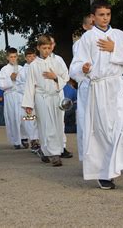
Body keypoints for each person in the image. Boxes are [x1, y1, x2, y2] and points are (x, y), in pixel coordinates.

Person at [70, 0, 123, 190]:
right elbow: (75, 66)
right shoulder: (86, 39)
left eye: (108, 14)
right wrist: (84, 68)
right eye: (101, 15)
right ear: (93, 17)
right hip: (97, 88)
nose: (105, 18)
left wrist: (115, 49)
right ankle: (104, 174)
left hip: (116, 86)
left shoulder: (118, 35)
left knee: (122, 129)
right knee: (102, 131)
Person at [22, 35, 70, 167]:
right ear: (38, 48)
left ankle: (53, 150)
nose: (46, 51)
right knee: (45, 125)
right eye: (44, 48)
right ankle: (53, 154)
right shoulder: (33, 65)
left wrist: (55, 77)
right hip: (41, 98)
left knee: (57, 125)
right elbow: (30, 85)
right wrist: (28, 104)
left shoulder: (56, 62)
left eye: (49, 48)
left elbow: (65, 77)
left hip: (55, 97)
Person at [70, 13, 94, 161]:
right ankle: (87, 157)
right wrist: (84, 69)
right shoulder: (79, 44)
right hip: (87, 84)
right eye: (90, 24)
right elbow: (76, 68)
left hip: (105, 86)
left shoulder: (108, 39)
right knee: (86, 122)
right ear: (85, 27)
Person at [0, 47, 28, 149]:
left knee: (23, 117)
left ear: (17, 57)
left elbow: (26, 82)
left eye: (15, 57)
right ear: (7, 57)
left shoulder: (22, 68)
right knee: (12, 118)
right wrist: (10, 79)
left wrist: (19, 80)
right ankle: (16, 140)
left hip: (20, 96)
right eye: (11, 57)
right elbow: (1, 84)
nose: (13, 59)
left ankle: (25, 137)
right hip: (10, 96)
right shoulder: (4, 70)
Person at [49, 35, 73, 159]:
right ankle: (47, 148)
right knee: (47, 122)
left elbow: (66, 77)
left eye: (52, 44)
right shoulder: (37, 61)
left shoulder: (59, 59)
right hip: (43, 96)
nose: (50, 47)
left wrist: (55, 78)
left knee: (60, 121)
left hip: (58, 93)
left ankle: (61, 147)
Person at [16, 47, 40, 152]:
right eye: (29, 56)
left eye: (34, 56)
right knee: (30, 120)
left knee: (40, 120)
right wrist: (30, 91)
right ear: (26, 58)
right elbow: (18, 86)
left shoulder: (40, 68)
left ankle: (41, 140)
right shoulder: (22, 71)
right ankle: (33, 141)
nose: (32, 58)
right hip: (28, 100)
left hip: (40, 98)